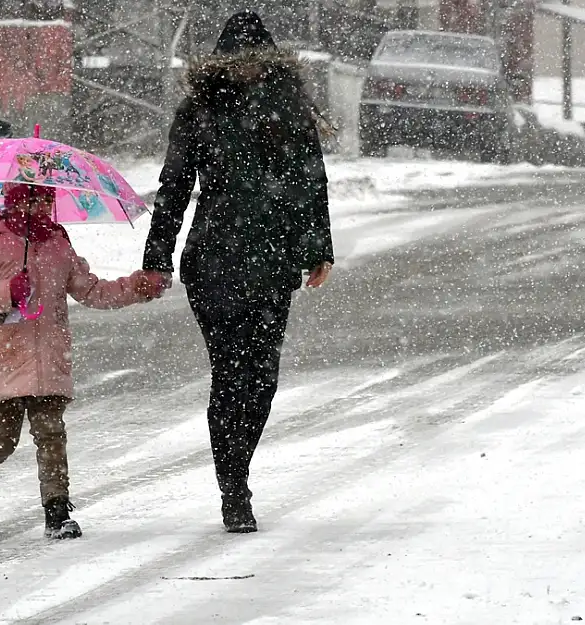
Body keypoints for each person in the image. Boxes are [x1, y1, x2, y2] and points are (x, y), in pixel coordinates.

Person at [141, 10, 335, 533]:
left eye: (255, 61)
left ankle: (238, 465)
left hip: (274, 262)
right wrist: (157, 256)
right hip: (214, 262)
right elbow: (174, 187)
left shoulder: (289, 107)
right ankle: (234, 488)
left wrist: (318, 249)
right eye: (238, 61)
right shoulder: (199, 111)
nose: (246, 70)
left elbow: (309, 182)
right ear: (222, 63)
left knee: (263, 379)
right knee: (229, 376)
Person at [0, 182, 165, 539]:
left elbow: (91, 291)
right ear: (14, 202)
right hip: (7, 358)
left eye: (45, 199)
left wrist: (135, 287)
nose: (39, 207)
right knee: (3, 437)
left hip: (50, 356)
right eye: (30, 200)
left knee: (51, 433)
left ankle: (57, 511)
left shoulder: (58, 244)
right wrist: (7, 292)